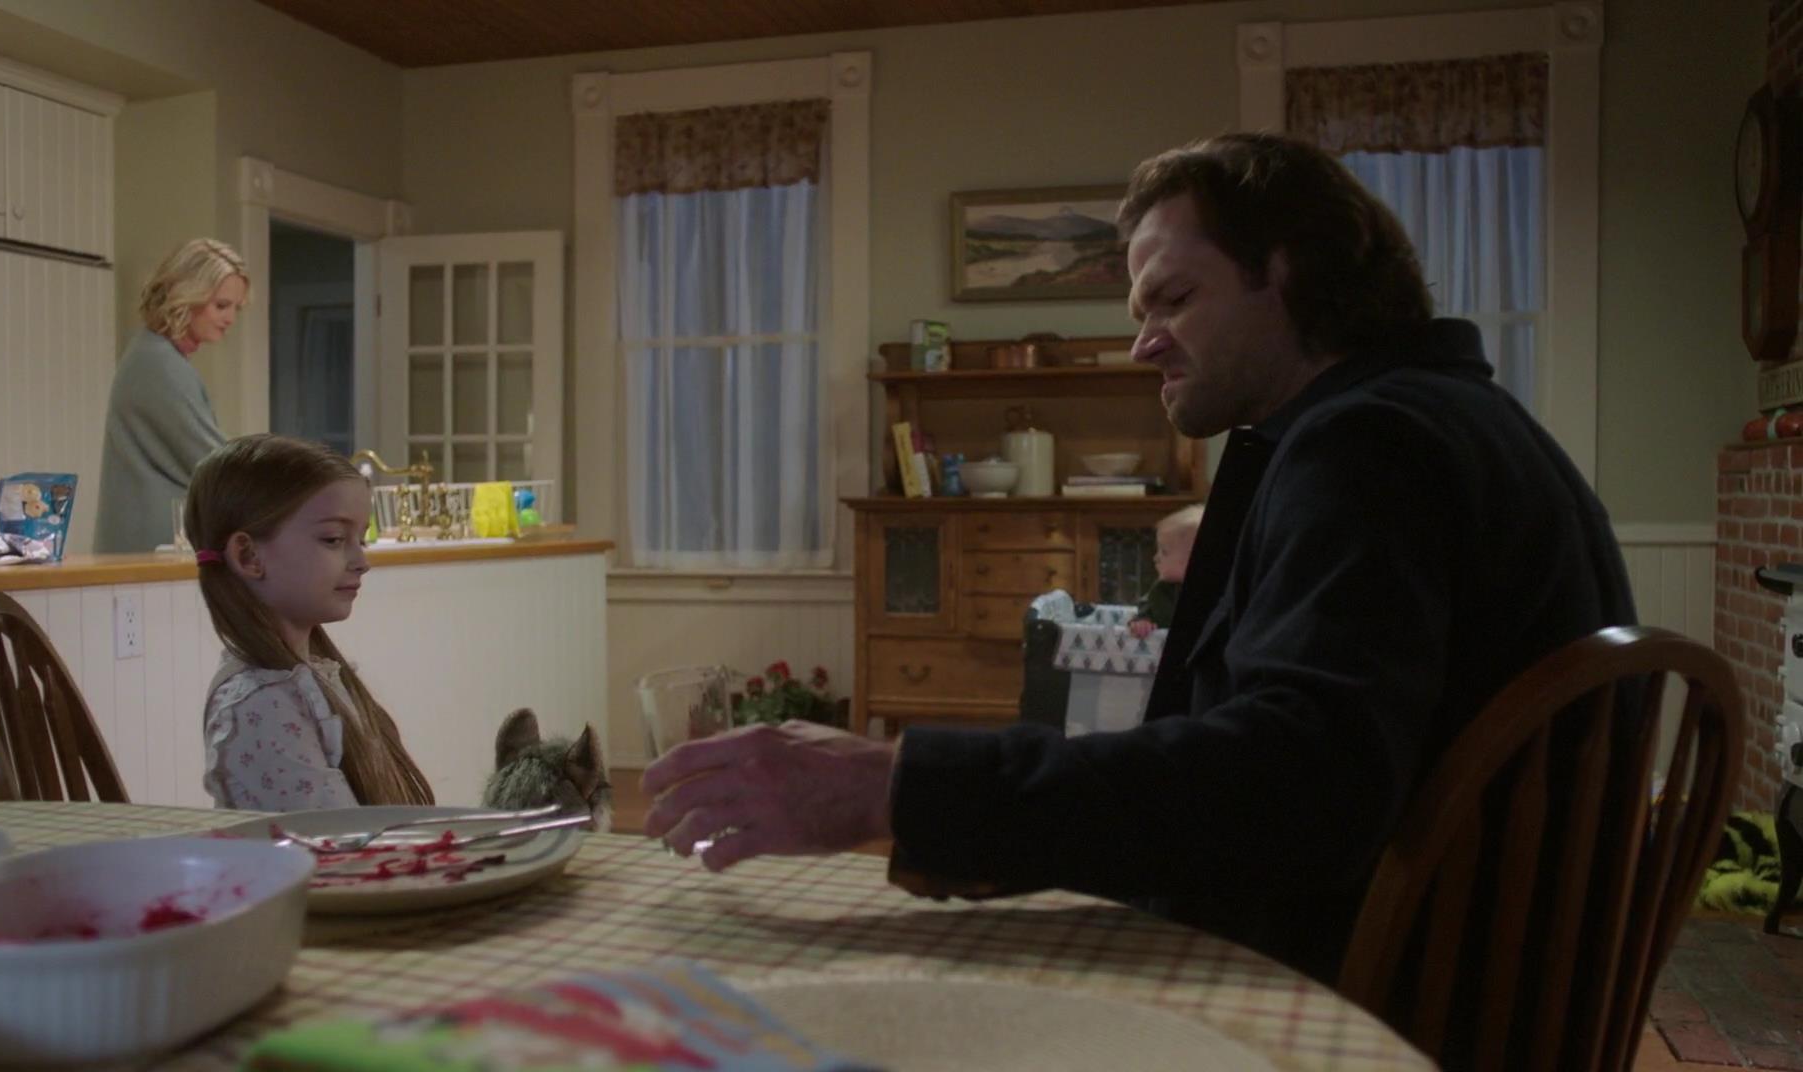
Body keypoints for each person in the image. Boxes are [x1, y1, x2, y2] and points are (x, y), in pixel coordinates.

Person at [640, 131, 1635, 982]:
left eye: (1173, 299)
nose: (1142, 345)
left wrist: (888, 786)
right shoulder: (1458, 419)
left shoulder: (1367, 444)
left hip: (1364, 1001)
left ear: (1287, 270)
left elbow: (1296, 787)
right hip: (1443, 967)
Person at [187, 434, 434, 811]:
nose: (361, 562)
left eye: (361, 540)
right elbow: (336, 843)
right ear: (249, 556)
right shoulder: (262, 705)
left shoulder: (311, 680)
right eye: (333, 539)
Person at [95, 238, 245, 554]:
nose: (230, 318)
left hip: (148, 544)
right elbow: (213, 460)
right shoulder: (160, 364)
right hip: (151, 547)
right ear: (187, 297)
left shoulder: (152, 355)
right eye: (221, 305)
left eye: (236, 308)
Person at [1127, 504, 1202, 640]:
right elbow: (1146, 609)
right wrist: (1142, 622)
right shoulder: (1161, 589)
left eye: (1164, 552)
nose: (1156, 558)